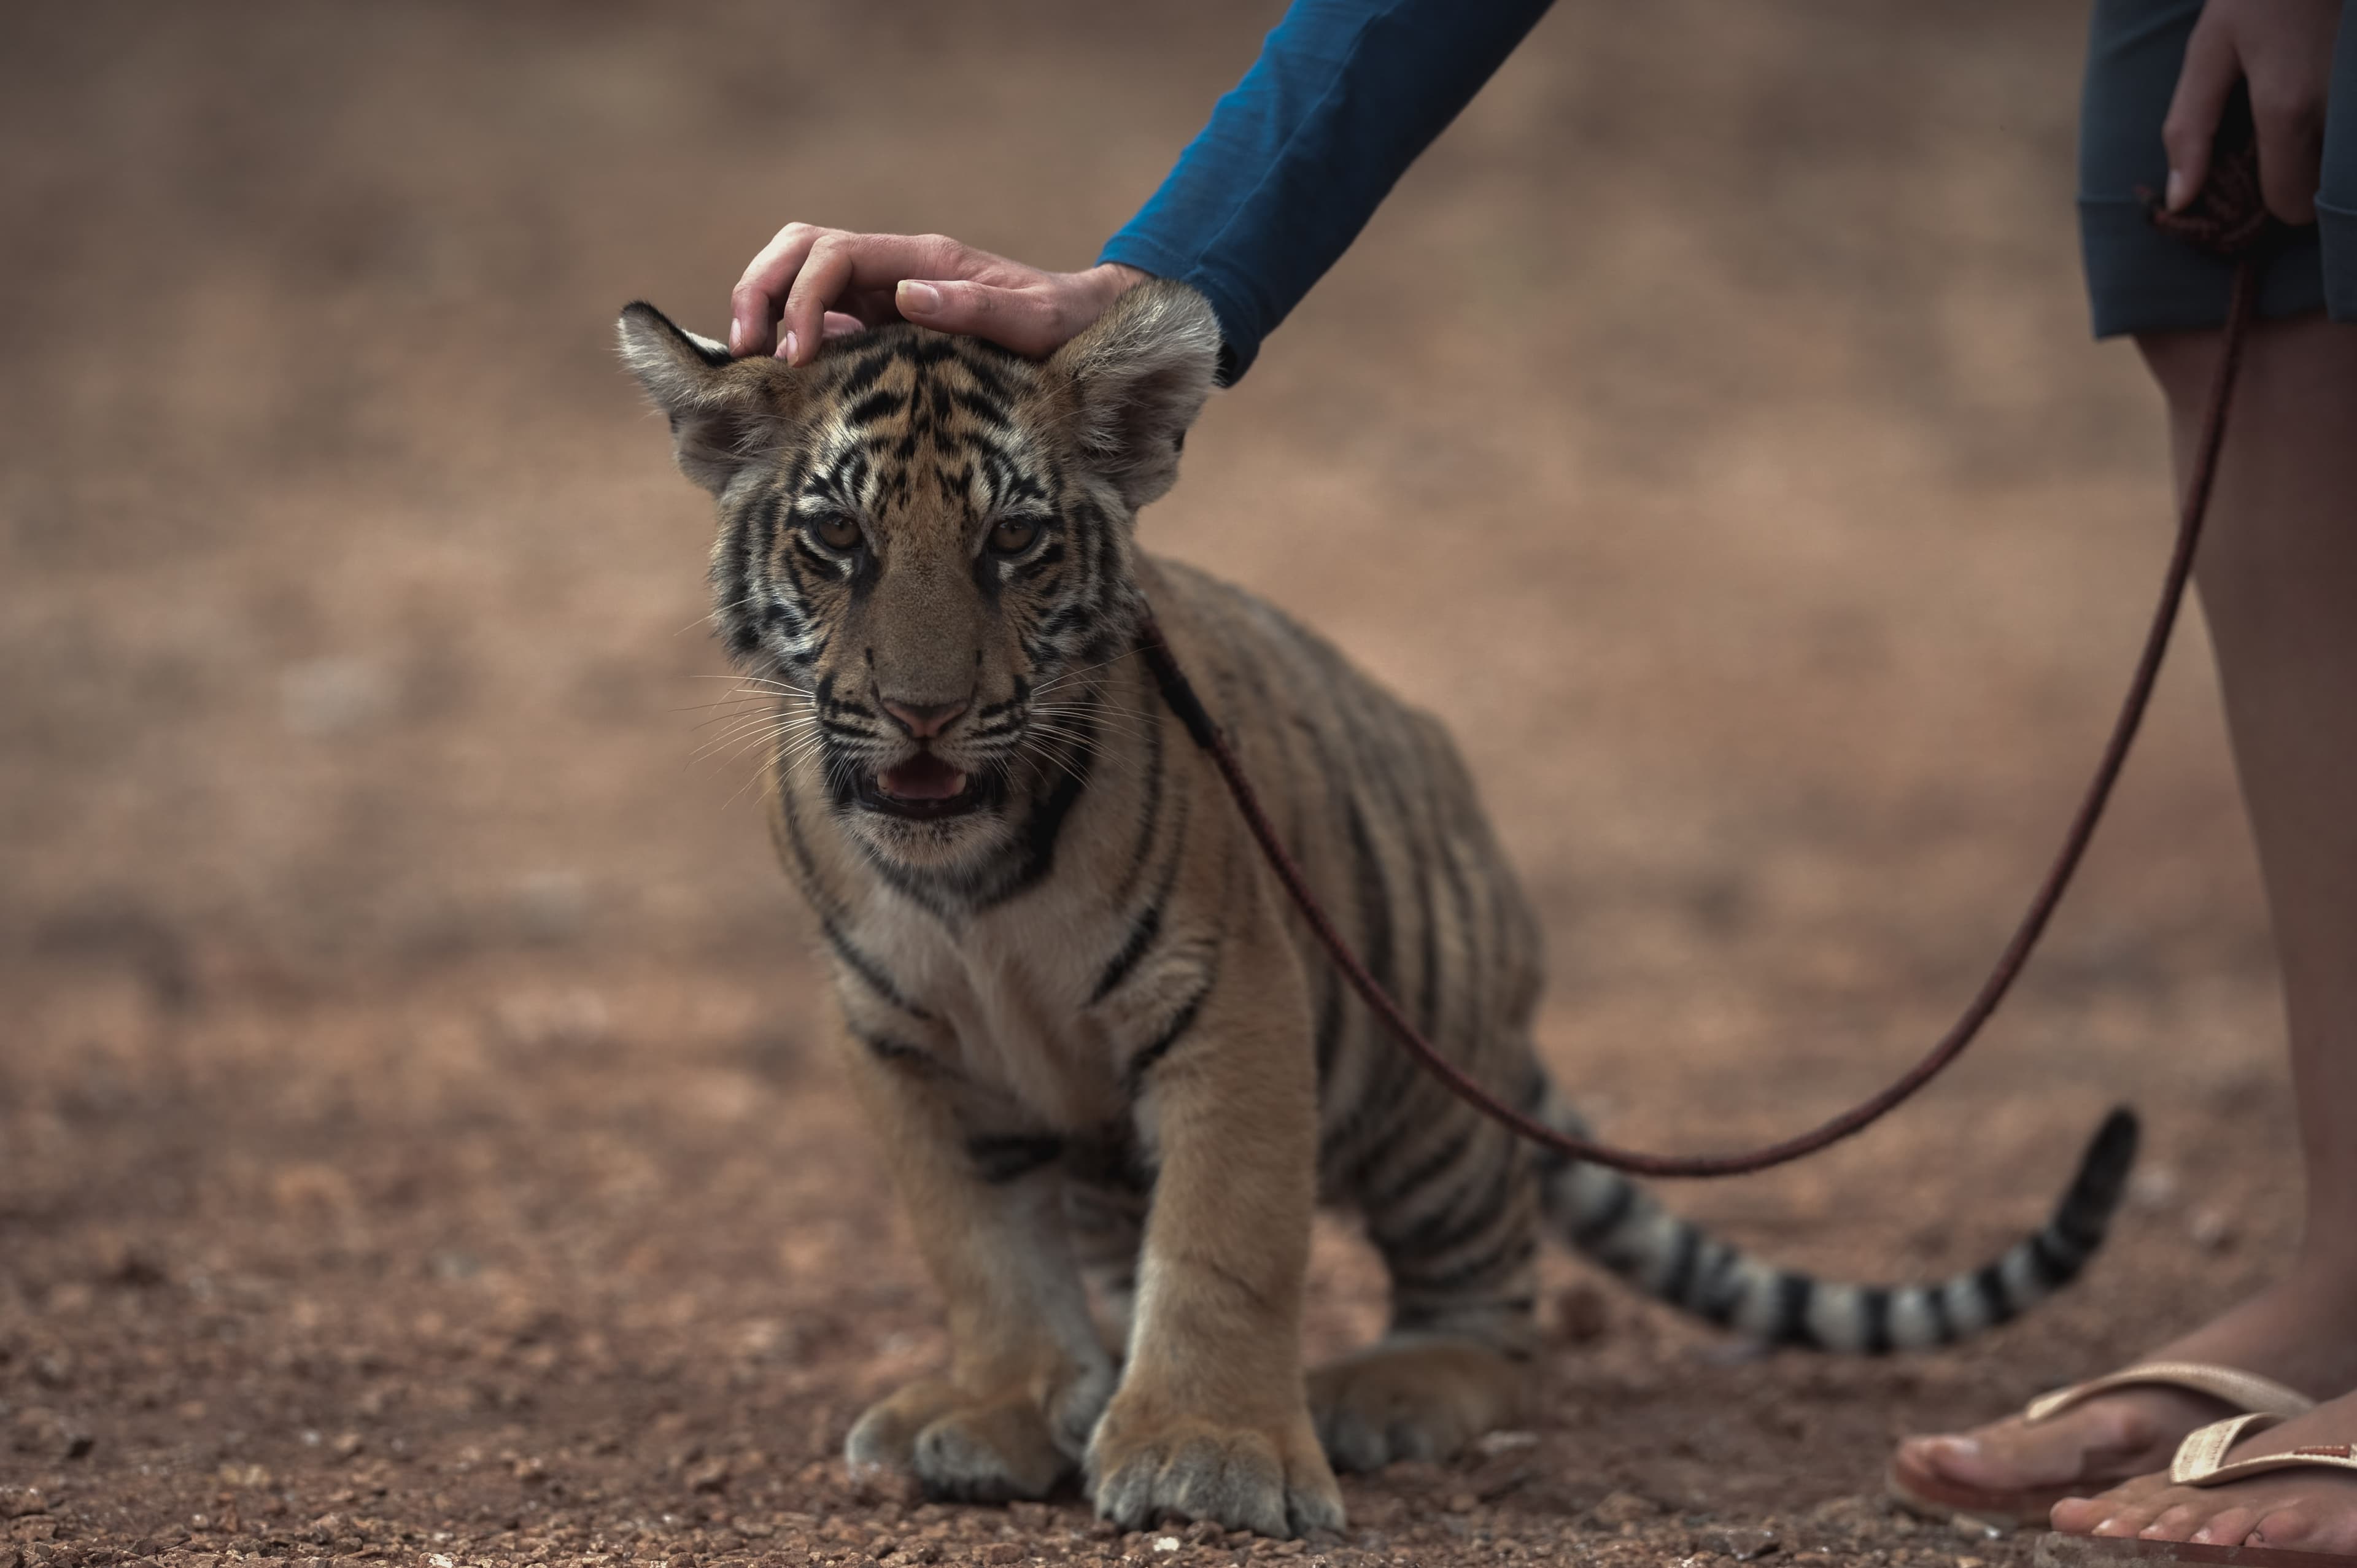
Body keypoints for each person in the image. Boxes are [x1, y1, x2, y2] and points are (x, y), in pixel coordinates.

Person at [726, 0, 2357, 1554]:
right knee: (2235, 279)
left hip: (1375, 999)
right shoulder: (822, 794)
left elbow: (1235, 1032)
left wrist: (1232, 1365)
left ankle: (1460, 1311)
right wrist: (1172, 274)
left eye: (1010, 559)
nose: (921, 682)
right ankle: (2353, 1271)